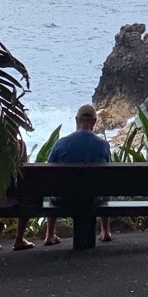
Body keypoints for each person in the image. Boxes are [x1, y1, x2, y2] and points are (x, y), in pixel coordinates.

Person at [44, 103, 113, 246]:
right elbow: (107, 176)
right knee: (104, 186)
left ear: (77, 120)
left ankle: (49, 235)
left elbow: (48, 172)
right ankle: (105, 230)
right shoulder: (103, 145)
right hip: (93, 198)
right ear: (94, 122)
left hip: (64, 198)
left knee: (54, 190)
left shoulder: (60, 143)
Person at [0, 133, 34, 252]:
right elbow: (26, 171)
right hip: (11, 199)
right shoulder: (20, 144)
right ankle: (19, 239)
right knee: (29, 198)